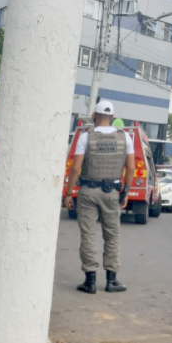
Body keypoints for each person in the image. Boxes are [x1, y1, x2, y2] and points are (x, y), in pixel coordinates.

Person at [64, 101, 135, 294]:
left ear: (95, 115)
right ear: (112, 117)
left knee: (88, 235)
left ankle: (90, 281)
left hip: (88, 191)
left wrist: (69, 193)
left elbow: (76, 169)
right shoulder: (125, 137)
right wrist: (126, 192)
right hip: (112, 192)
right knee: (112, 235)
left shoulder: (85, 137)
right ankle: (112, 281)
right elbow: (130, 168)